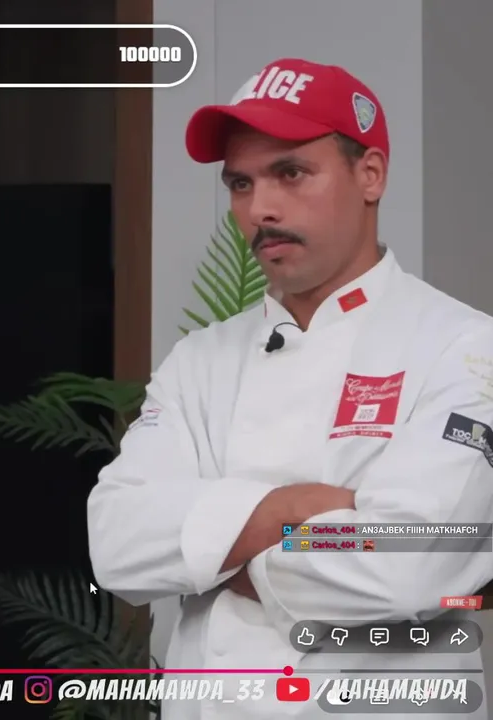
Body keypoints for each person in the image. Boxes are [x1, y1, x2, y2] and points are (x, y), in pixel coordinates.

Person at [88, 58, 493, 718]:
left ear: (371, 175)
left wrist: (217, 555)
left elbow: (406, 565)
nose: (260, 209)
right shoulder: (200, 360)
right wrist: (293, 510)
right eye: (240, 183)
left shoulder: (464, 347)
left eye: (291, 173)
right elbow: (117, 544)